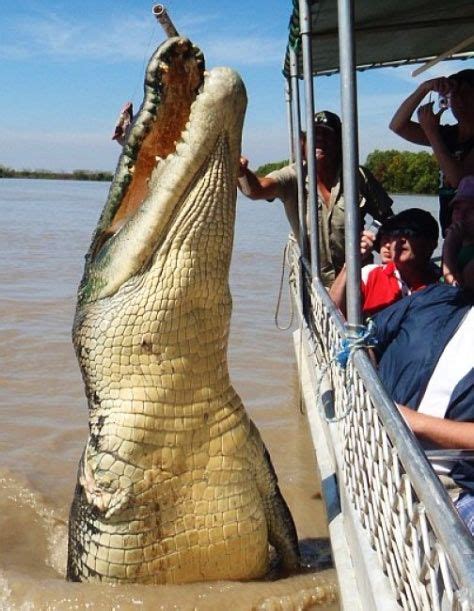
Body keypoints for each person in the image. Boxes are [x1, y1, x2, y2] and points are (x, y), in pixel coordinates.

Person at [371, 252, 474, 535]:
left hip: (453, 487)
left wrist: (412, 422)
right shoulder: (434, 299)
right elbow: (368, 338)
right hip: (376, 452)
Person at [238, 110, 393, 288]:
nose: (319, 140)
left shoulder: (358, 176)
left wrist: (374, 238)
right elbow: (255, 190)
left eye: (327, 135)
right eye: (314, 135)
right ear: (304, 144)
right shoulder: (293, 176)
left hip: (356, 278)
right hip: (314, 285)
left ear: (339, 143)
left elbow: (386, 218)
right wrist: (241, 173)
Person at [389, 69, 474, 235]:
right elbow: (398, 126)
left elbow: (458, 179)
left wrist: (432, 132)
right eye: (454, 95)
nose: (460, 101)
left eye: (466, 94)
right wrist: (424, 88)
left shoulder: (439, 135)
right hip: (453, 232)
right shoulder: (449, 135)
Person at [329, 208, 440, 318]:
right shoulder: (369, 275)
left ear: (431, 244)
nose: (401, 239)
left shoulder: (440, 285)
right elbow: (331, 313)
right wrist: (350, 262)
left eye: (410, 232)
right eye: (396, 232)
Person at [442, 175, 474, 285]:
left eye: (471, 210)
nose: (461, 216)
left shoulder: (451, 246)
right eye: (457, 209)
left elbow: (454, 290)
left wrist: (448, 245)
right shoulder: (459, 247)